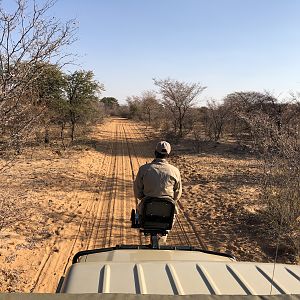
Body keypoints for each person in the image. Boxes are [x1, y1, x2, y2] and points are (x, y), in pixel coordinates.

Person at [134, 141, 182, 243]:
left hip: (147, 207)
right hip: (167, 210)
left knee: (138, 211)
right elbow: (177, 195)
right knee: (173, 212)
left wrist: (147, 196)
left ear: (155, 152)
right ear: (168, 155)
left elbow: (138, 193)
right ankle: (163, 237)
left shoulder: (144, 169)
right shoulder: (175, 171)